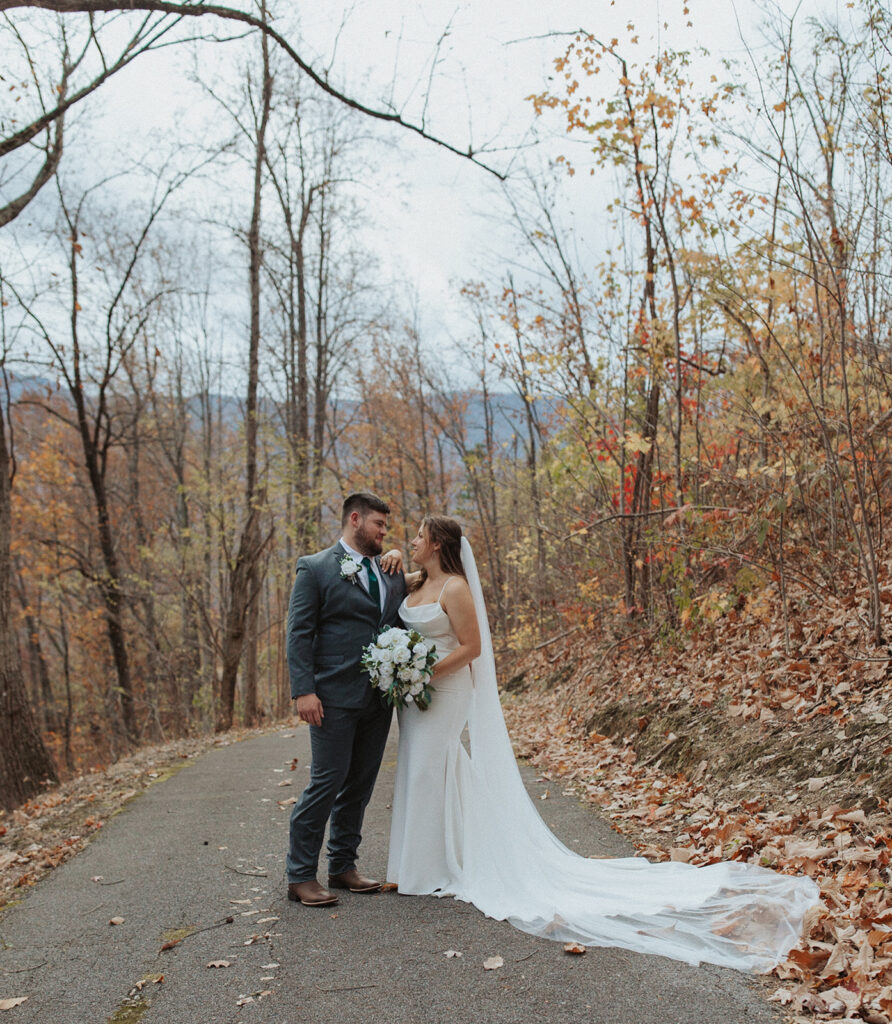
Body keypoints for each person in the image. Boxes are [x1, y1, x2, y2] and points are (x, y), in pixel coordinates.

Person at [387, 515, 822, 971]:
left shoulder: (455, 588)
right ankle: (430, 862)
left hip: (445, 689)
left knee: (428, 768)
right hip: (415, 696)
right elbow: (385, 574)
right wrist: (395, 580)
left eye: (418, 536)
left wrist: (425, 672)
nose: (411, 541)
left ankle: (431, 869)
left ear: (437, 544)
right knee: (423, 768)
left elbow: (472, 648)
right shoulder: (416, 581)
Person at [286, 491, 406, 907]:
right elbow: (299, 632)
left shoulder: (390, 570)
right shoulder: (315, 567)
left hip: (378, 698)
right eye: (379, 524)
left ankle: (342, 866)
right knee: (327, 782)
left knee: (360, 784)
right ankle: (300, 875)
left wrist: (397, 555)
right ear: (355, 519)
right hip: (332, 695)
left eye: (386, 527)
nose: (384, 532)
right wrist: (304, 689)